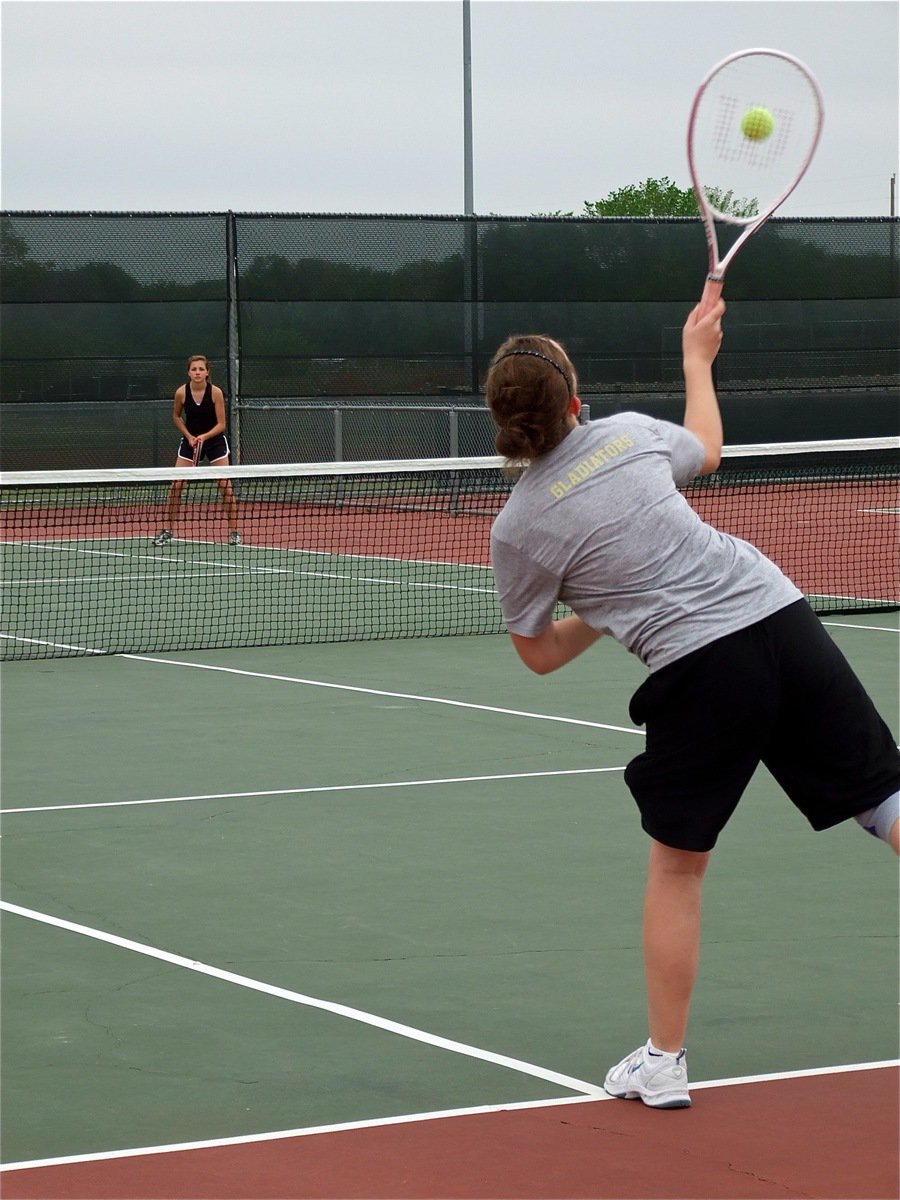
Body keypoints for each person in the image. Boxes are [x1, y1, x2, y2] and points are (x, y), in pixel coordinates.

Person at [484, 300, 900, 1111]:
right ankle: (661, 1061)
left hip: (702, 669)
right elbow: (707, 448)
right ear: (575, 403)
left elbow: (535, 652)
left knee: (678, 866)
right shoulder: (633, 435)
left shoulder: (517, 529)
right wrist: (697, 361)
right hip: (781, 617)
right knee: (886, 801)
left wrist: (608, 604)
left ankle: (663, 1063)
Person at [152, 355, 241, 546]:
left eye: (201, 369)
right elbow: (176, 416)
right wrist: (190, 436)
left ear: (207, 372)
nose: (198, 372)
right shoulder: (181, 393)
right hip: (190, 442)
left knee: (225, 487)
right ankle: (168, 530)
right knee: (176, 486)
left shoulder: (215, 392)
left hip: (214, 442)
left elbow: (222, 424)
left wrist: (204, 437)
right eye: (194, 369)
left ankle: (234, 531)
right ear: (188, 372)